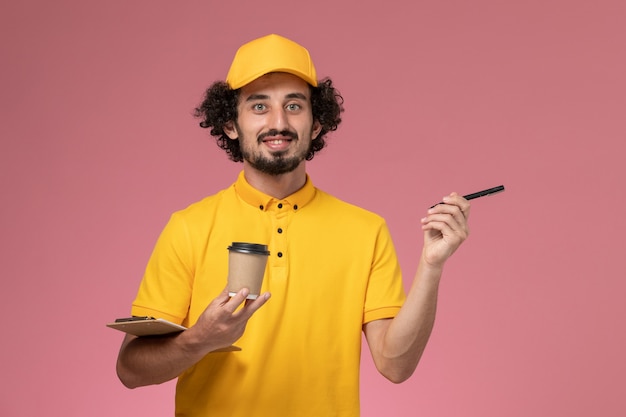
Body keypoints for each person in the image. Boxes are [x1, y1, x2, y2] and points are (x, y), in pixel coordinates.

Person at [116, 33, 470, 417]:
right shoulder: (188, 227)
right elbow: (131, 370)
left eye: (294, 105)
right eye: (259, 106)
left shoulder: (365, 231)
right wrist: (199, 340)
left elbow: (395, 365)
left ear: (316, 123)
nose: (278, 122)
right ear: (231, 124)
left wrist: (432, 266)